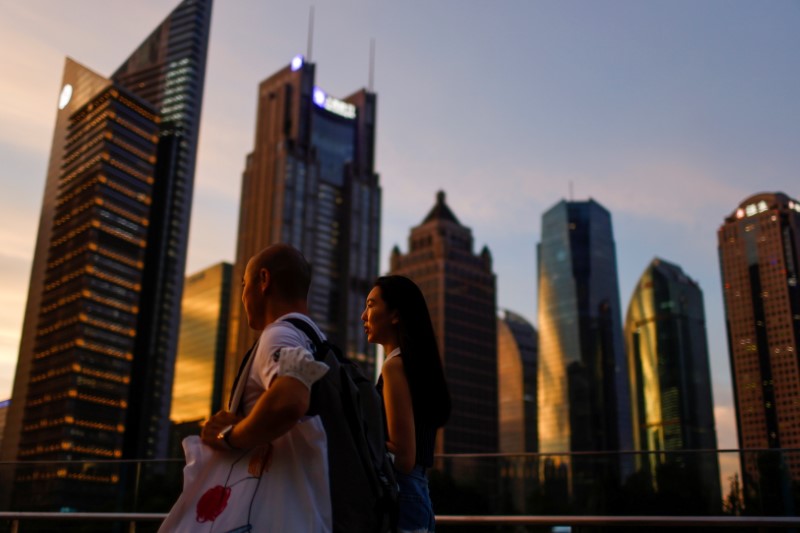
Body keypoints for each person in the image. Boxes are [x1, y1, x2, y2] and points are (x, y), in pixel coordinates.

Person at [192, 244, 332, 531]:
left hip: (276, 515)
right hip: (311, 509)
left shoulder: (279, 334)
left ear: (264, 280)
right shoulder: (318, 341)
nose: (243, 296)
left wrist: (229, 436)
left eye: (245, 284)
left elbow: (289, 402)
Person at [361, 275, 451, 533]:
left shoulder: (394, 366)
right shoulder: (412, 366)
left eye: (370, 305)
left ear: (395, 315)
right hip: (416, 492)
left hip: (402, 493)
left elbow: (403, 457)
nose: (363, 316)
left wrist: (357, 436)